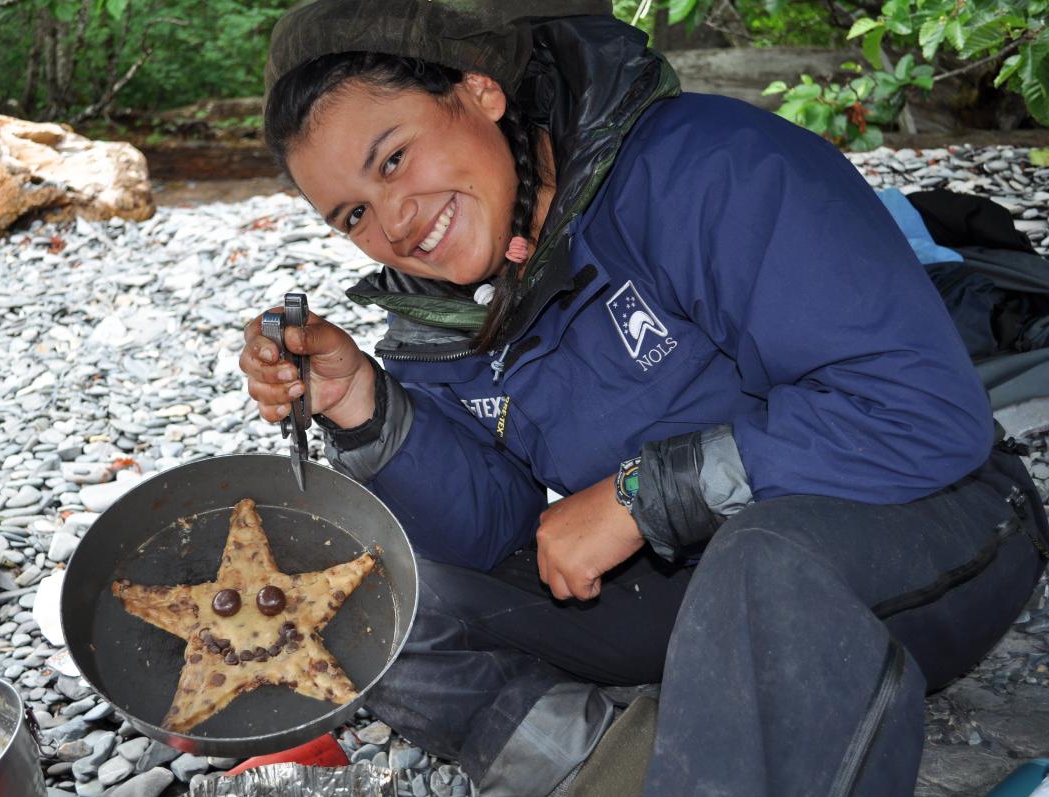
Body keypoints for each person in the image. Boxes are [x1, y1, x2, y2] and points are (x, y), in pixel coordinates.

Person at [240, 2, 1049, 795]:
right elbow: (493, 530)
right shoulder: (439, 315)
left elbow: (919, 409)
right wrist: (363, 403)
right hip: (684, 584)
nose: (395, 223)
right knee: (363, 592)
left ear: (479, 91)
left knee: (761, 561)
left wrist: (641, 496)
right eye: (354, 214)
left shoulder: (705, 167)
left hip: (924, 514)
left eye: (392, 160)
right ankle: (622, 763)